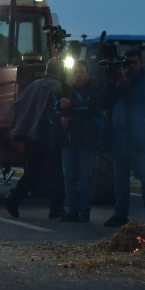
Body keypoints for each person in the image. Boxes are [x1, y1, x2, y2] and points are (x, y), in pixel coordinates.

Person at [101, 48, 145, 227]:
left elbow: (139, 101)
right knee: (120, 178)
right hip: (119, 137)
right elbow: (104, 101)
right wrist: (115, 85)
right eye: (127, 62)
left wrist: (124, 86)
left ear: (141, 63)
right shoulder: (118, 80)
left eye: (134, 62)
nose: (130, 66)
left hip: (140, 138)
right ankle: (120, 213)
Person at [6, 57, 65, 219]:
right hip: (48, 136)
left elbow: (17, 105)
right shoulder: (58, 88)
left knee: (34, 171)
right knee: (57, 171)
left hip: (31, 136)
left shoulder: (34, 85)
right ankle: (56, 207)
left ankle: (14, 197)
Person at [54, 63, 102, 223]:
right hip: (69, 140)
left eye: (81, 72)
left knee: (86, 177)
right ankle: (72, 210)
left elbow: (93, 105)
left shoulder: (95, 90)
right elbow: (52, 110)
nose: (78, 75)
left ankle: (84, 211)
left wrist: (72, 104)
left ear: (87, 73)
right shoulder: (64, 91)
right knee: (69, 177)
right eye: (76, 72)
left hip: (88, 141)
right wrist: (60, 119)